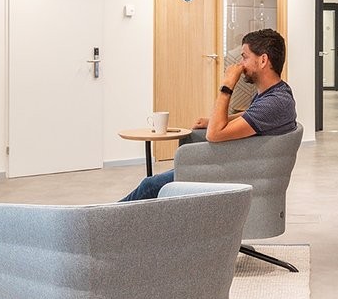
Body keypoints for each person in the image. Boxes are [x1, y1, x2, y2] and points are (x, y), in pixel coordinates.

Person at [120, 28, 297, 201]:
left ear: (263, 60)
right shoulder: (277, 93)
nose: (240, 64)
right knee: (154, 182)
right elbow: (251, 116)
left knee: (149, 185)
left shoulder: (274, 103)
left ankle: (108, 219)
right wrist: (215, 121)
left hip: (238, 173)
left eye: (245, 57)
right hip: (241, 165)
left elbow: (214, 135)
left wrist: (227, 85)